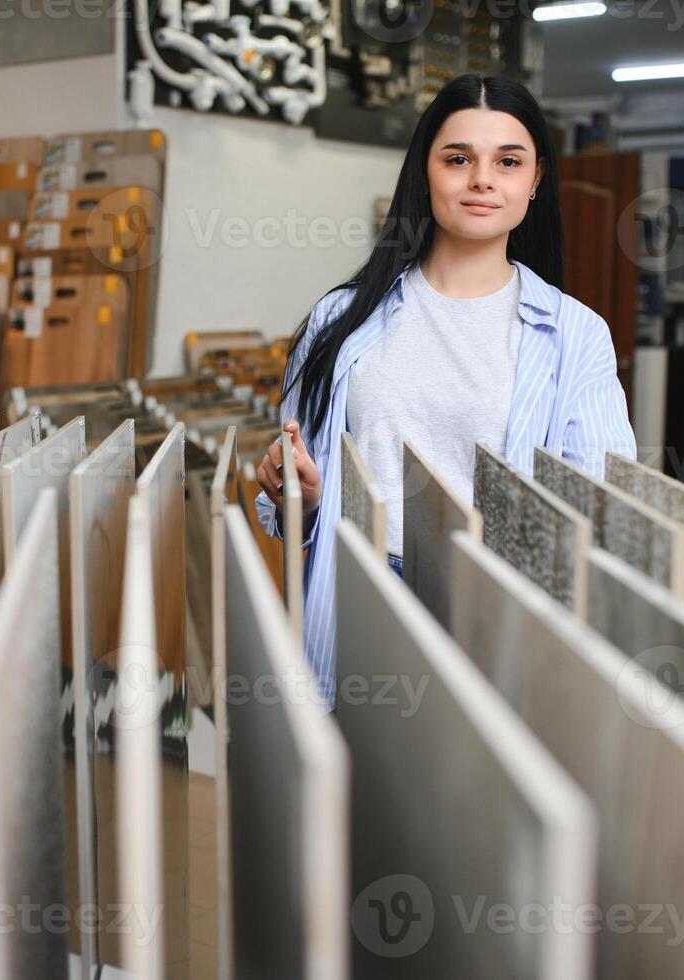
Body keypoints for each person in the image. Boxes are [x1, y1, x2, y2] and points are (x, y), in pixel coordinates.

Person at [254, 73, 636, 710]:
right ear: (424, 172)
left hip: (492, 613)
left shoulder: (574, 336)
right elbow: (285, 507)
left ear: (535, 180)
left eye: (508, 161)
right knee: (356, 798)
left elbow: (597, 510)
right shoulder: (339, 322)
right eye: (458, 159)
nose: (482, 179)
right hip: (358, 600)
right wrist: (304, 492)